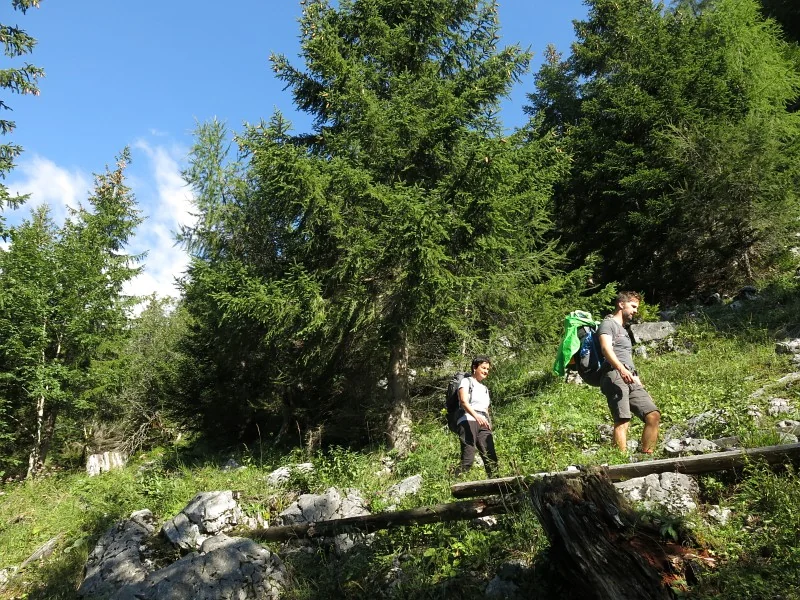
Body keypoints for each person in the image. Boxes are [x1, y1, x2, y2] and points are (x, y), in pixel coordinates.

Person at [598, 291, 661, 454]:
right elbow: (605, 348)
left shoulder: (624, 330)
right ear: (621, 304)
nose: (635, 311)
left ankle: (647, 457)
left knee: (653, 415)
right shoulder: (608, 324)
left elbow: (626, 357)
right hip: (614, 373)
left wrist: (636, 378)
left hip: (630, 376)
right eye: (633, 306)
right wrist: (621, 369)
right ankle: (621, 462)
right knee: (622, 420)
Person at [454, 355, 498, 477]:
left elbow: (485, 409)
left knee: (491, 457)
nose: (486, 371)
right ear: (475, 368)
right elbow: (463, 401)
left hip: (483, 423)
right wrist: (476, 416)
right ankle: (455, 481)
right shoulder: (466, 381)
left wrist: (489, 423)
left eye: (487, 369)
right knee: (468, 458)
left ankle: (497, 485)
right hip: (468, 420)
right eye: (483, 368)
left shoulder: (485, 388)